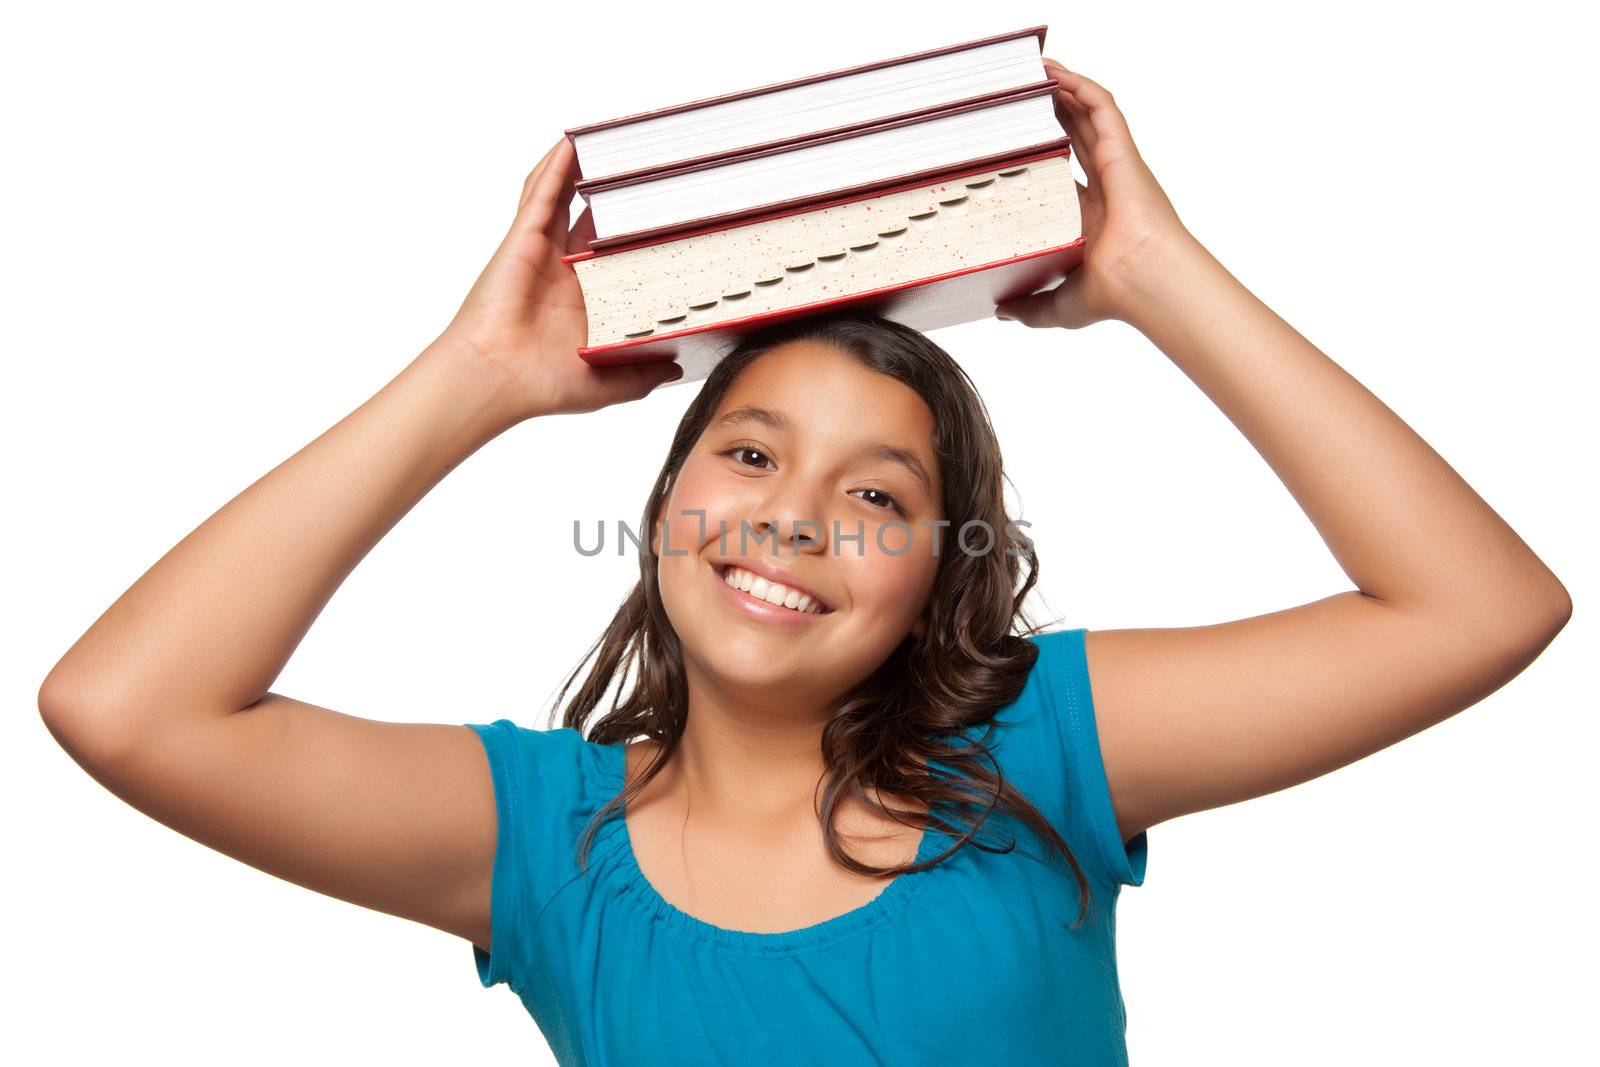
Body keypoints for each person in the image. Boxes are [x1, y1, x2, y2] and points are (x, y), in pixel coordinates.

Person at [38, 60, 1571, 1066]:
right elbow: (125, 709)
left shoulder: (1044, 757)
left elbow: (1483, 606)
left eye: (879, 497)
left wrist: (1160, 275)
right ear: (668, 500)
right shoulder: (542, 848)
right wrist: (472, 379)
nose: (790, 518)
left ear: (940, 577)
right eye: (753, 455)